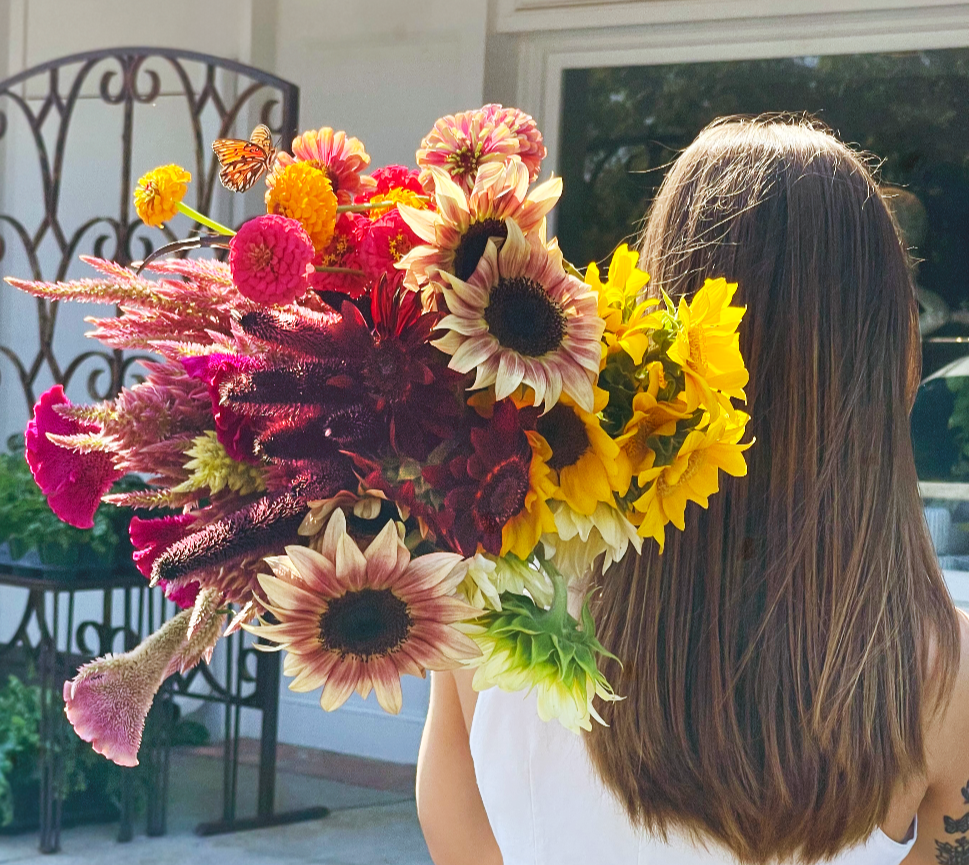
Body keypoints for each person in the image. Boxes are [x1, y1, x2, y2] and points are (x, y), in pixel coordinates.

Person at [415, 116, 969, 865]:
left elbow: (464, 849)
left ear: (654, 307)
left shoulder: (500, 598)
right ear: (883, 354)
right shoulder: (945, 672)